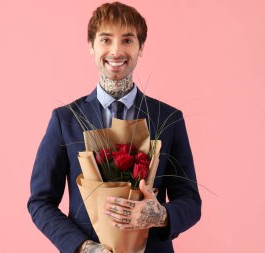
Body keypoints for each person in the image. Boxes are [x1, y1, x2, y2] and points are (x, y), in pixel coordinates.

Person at [27, 2, 201, 253]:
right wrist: (83, 247)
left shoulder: (169, 118)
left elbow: (190, 202)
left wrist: (159, 215)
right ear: (91, 46)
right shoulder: (65, 120)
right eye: (106, 40)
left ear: (141, 47)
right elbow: (41, 202)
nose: (116, 51)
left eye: (128, 40)